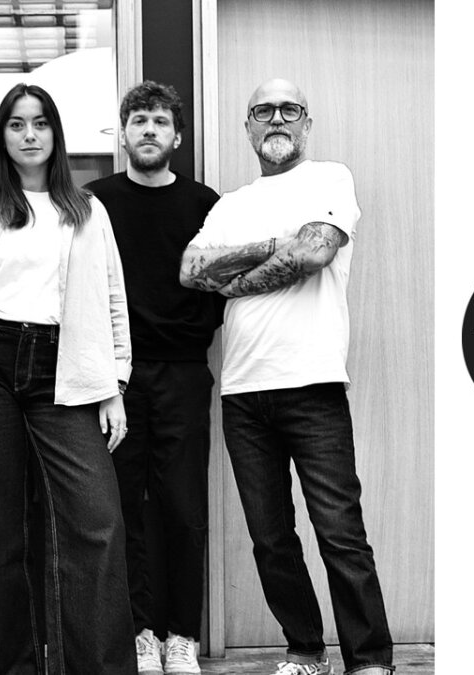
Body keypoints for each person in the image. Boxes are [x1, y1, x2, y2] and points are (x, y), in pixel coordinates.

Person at [179, 78, 393, 675]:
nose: (277, 119)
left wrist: (236, 280)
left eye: (289, 109)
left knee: (340, 533)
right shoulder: (229, 204)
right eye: (263, 110)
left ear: (306, 122)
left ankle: (369, 661)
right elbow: (192, 270)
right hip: (243, 392)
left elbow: (316, 252)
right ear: (248, 126)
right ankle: (305, 651)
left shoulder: (330, 178)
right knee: (271, 539)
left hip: (313, 384)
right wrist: (278, 242)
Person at [0, 83, 136, 675]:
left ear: (55, 133)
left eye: (40, 123)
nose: (29, 135)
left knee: (96, 521)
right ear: (2, 135)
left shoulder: (87, 209)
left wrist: (115, 386)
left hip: (63, 367)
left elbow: (113, 301)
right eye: (16, 124)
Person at [85, 81, 220, 675]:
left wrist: (188, 333)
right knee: (123, 507)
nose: (148, 130)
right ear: (123, 133)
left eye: (160, 121)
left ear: (177, 137)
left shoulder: (205, 204)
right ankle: (140, 632)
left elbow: (219, 287)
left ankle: (182, 635)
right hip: (116, 377)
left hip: (184, 374)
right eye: (138, 120)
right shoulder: (95, 202)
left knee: (183, 507)